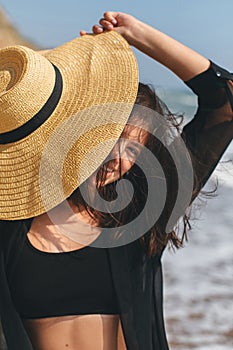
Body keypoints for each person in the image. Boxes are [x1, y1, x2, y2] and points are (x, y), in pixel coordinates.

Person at [0, 10, 233, 350]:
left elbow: (224, 105)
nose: (118, 159)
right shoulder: (11, 222)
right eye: (111, 139)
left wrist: (137, 34)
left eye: (135, 147)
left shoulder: (141, 210)